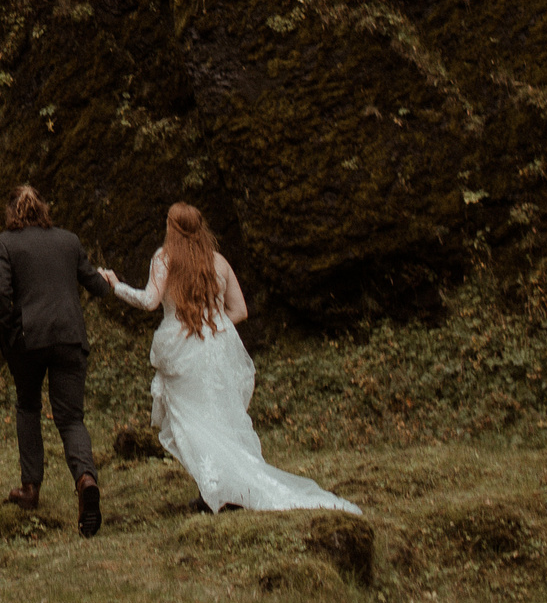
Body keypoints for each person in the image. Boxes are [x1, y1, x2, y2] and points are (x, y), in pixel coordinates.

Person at [104, 203, 360, 516]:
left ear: (171, 227)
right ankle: (223, 490)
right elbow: (240, 311)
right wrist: (214, 326)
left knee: (193, 423)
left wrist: (116, 286)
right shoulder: (219, 262)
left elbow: (148, 301)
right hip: (218, 350)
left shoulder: (165, 258)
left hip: (180, 354)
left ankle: (215, 491)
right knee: (220, 419)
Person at [0, 183, 110, 537]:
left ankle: (30, 489)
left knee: (28, 407)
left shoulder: (5, 244)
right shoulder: (69, 240)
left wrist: (12, 329)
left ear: (12, 212)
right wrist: (107, 281)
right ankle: (86, 479)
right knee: (71, 418)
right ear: (43, 208)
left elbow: (0, 293)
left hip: (29, 339)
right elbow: (96, 286)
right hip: (70, 337)